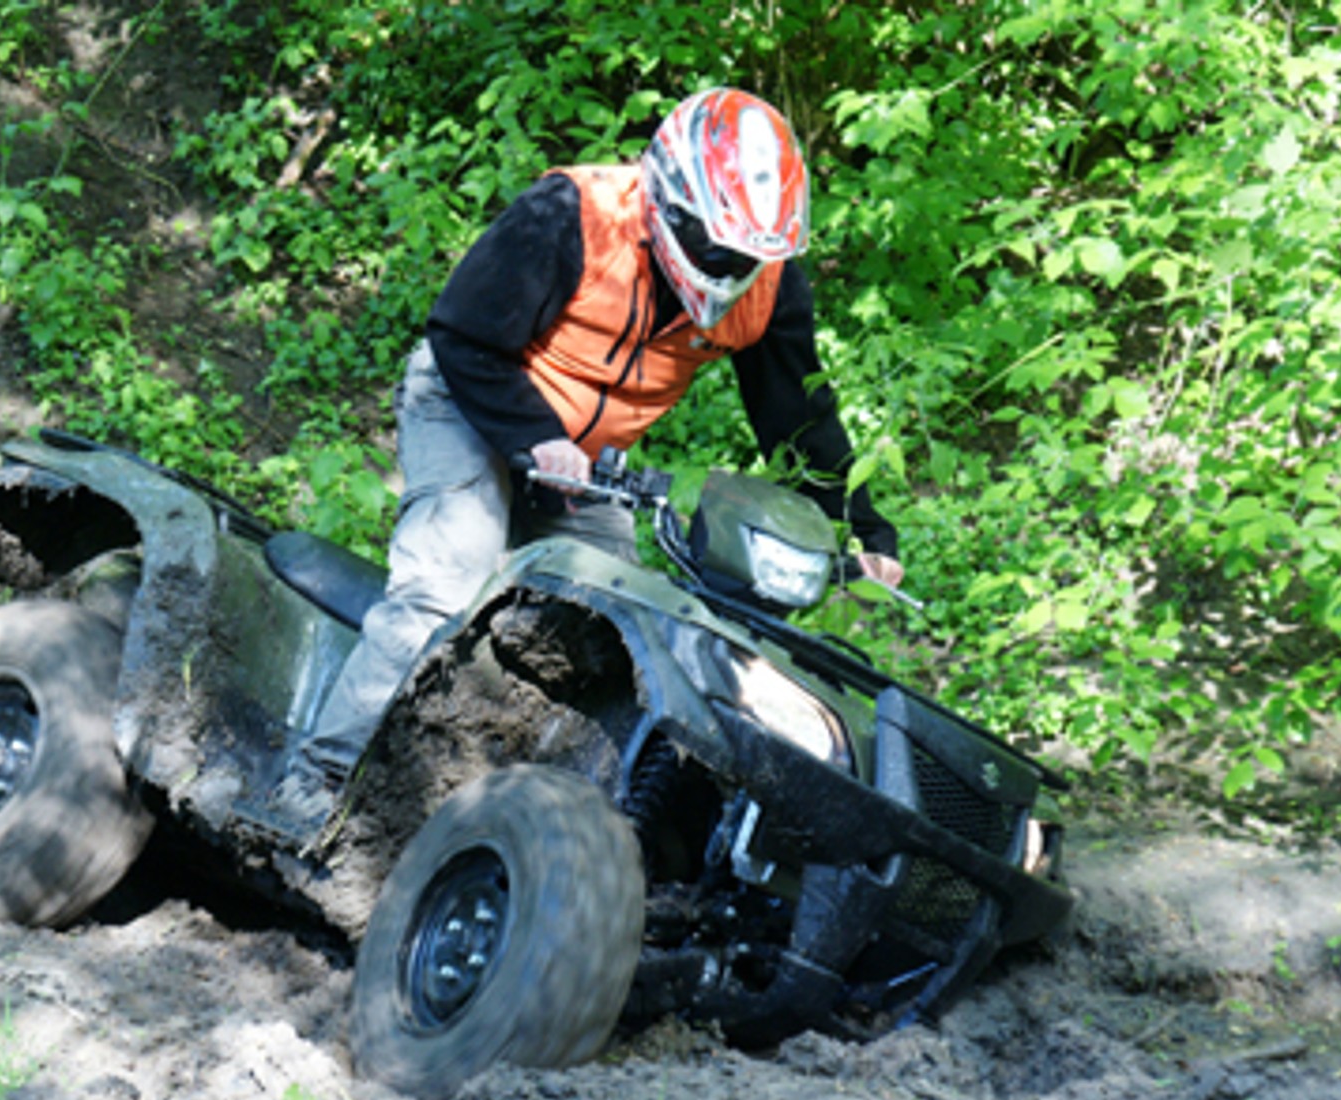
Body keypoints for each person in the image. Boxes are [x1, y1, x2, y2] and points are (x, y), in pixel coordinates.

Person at [268, 87, 902, 831]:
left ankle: (507, 814)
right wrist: (533, 437)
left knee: (616, 636)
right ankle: (317, 779)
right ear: (670, 203)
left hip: (588, 459)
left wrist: (857, 528)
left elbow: (796, 414)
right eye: (717, 247)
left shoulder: (765, 286)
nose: (730, 267)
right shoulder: (570, 217)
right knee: (444, 583)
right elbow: (463, 338)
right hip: (472, 402)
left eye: (749, 255)